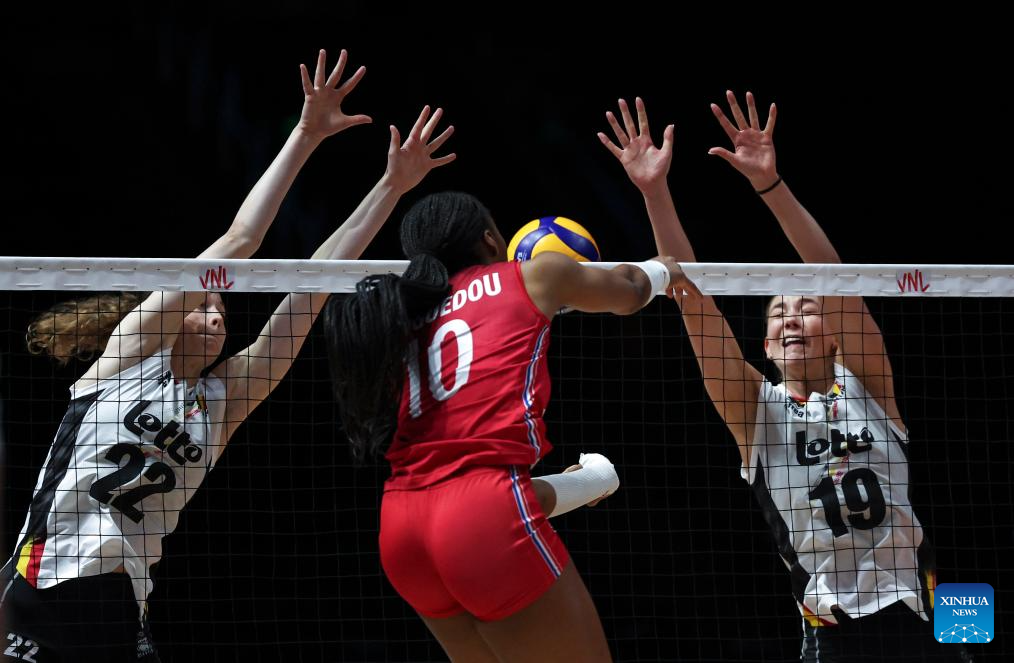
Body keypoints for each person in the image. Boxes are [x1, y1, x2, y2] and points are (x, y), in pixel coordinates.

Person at [1, 48, 455, 662]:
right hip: (43, 578)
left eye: (223, 311)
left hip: (120, 603)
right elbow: (241, 240)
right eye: (205, 306)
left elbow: (312, 288)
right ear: (171, 317)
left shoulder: (224, 402)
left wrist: (390, 186)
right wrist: (305, 134)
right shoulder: (128, 357)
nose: (217, 315)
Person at [599, 93, 963, 662]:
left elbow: (833, 276)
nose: (792, 317)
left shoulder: (868, 385)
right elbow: (692, 300)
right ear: (767, 347)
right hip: (833, 633)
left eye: (806, 308)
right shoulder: (756, 411)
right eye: (778, 314)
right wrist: (654, 192)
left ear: (835, 334)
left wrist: (770, 186)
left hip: (924, 616)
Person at [324, 191, 697, 662]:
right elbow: (628, 291)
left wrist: (586, 482)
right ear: (489, 240)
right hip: (483, 517)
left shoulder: (402, 318)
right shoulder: (537, 273)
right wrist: (661, 269)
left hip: (402, 527)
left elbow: (458, 485)